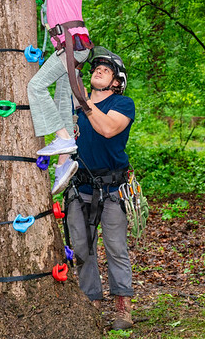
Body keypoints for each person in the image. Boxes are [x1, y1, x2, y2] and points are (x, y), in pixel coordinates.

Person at [0, 0, 100, 194]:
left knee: (36, 87)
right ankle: (64, 163)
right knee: (63, 102)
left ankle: (62, 138)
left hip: (70, 49)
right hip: (76, 48)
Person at [64, 47, 136, 330]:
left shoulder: (122, 105)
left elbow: (107, 129)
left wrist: (82, 100)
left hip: (112, 189)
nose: (99, 70)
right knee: (82, 249)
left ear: (117, 82)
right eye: (96, 68)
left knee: (116, 248)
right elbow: (65, 142)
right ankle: (90, 302)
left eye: (107, 69)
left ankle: (122, 307)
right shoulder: (74, 106)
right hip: (78, 186)